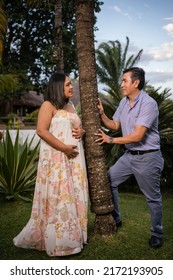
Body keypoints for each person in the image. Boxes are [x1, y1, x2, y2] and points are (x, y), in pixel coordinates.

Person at [13, 72, 88, 256]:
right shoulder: (48, 105)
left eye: (71, 84)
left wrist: (82, 131)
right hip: (58, 159)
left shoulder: (70, 105)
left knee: (75, 194)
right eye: (68, 85)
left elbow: (73, 127)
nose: (71, 87)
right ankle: (61, 241)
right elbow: (41, 130)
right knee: (61, 196)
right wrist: (64, 148)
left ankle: (76, 235)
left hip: (76, 160)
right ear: (57, 87)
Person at [95, 67, 164, 249]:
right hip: (129, 156)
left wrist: (110, 139)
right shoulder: (124, 102)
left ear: (136, 82)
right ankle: (116, 219)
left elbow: (137, 136)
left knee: (153, 198)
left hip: (148, 157)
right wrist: (102, 114)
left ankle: (157, 233)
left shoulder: (148, 104)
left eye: (125, 80)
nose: (122, 84)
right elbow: (115, 124)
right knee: (109, 180)